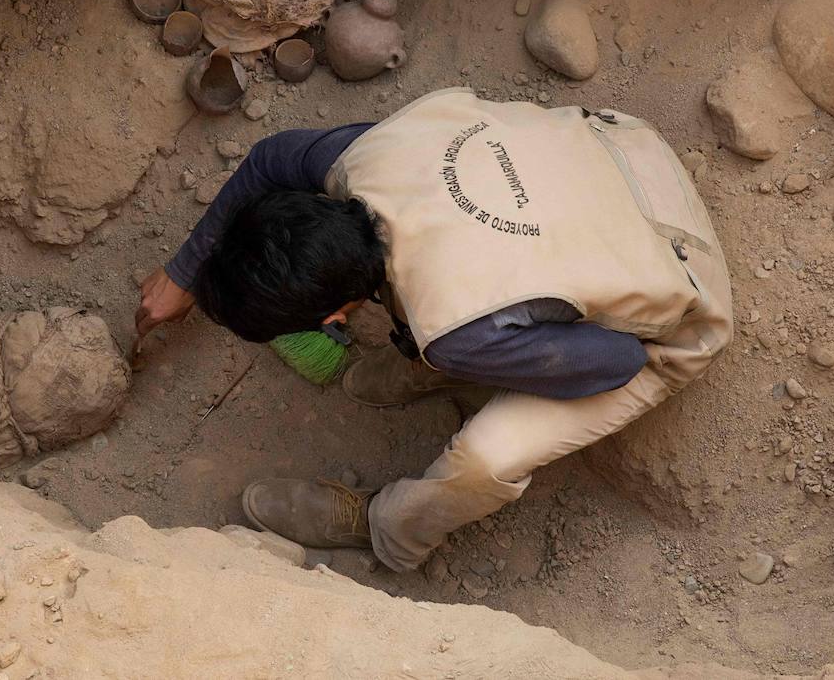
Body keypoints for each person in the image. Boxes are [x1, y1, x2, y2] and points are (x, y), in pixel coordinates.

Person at [135, 89, 733, 572]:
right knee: (461, 325)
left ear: (333, 320)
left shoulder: (454, 329)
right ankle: (463, 355)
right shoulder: (369, 156)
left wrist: (486, 353)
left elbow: (616, 360)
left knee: (486, 457)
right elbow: (269, 160)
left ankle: (386, 531)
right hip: (626, 146)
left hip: (680, 294)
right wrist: (185, 271)